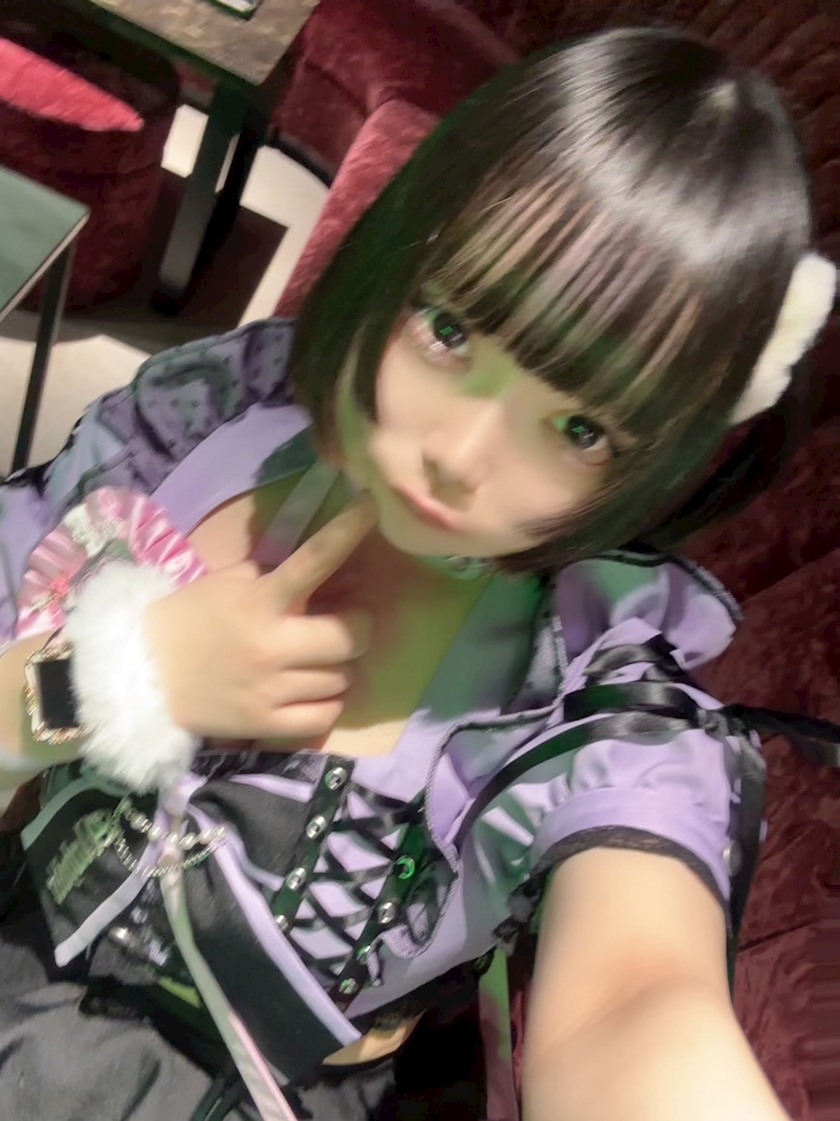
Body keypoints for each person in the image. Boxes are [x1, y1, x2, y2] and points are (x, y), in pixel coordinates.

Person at [0, 24, 836, 1121]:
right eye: (451, 329)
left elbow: (635, 1004)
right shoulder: (205, 426)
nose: (460, 454)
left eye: (580, 427)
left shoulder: (590, 700)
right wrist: (111, 677)